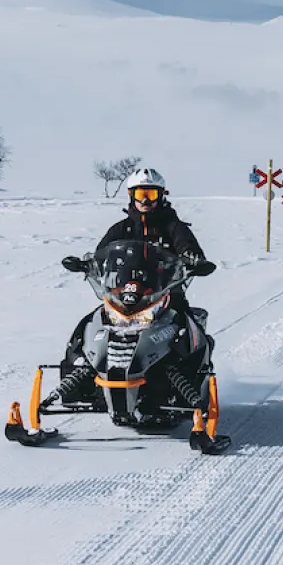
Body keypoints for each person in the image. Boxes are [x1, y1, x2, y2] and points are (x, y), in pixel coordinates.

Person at [59, 168, 216, 399]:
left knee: (188, 329)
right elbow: (101, 254)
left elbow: (188, 247)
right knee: (89, 325)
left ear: (161, 195)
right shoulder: (121, 229)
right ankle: (80, 377)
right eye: (140, 194)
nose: (145, 200)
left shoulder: (174, 227)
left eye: (150, 195)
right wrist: (87, 265)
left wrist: (193, 259)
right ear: (131, 195)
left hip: (166, 295)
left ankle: (191, 387)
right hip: (124, 296)